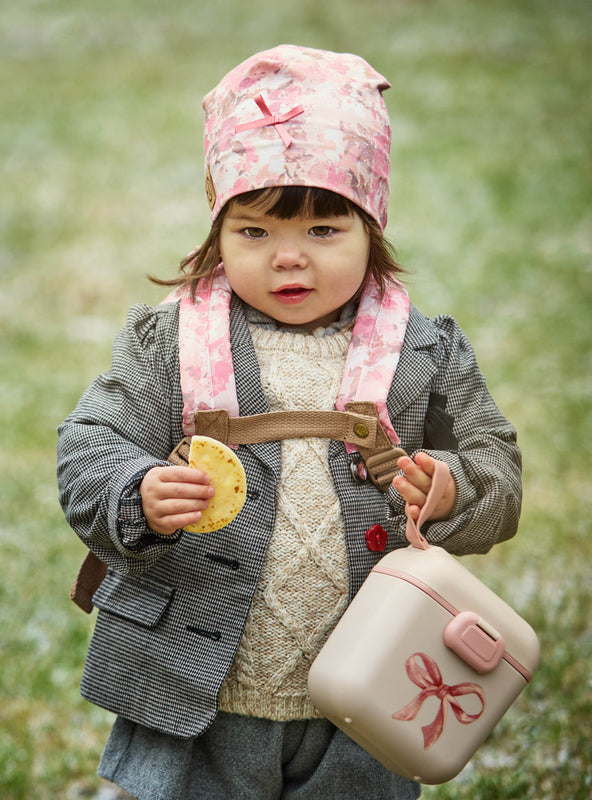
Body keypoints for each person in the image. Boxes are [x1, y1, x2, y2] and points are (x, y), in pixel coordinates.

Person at [57, 45, 521, 800]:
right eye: (255, 233)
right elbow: (88, 446)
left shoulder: (422, 351)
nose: (288, 261)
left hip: (368, 691)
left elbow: (494, 460)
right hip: (200, 693)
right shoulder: (167, 344)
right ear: (217, 229)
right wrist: (135, 490)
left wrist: (452, 487)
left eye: (323, 232)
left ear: (372, 226)